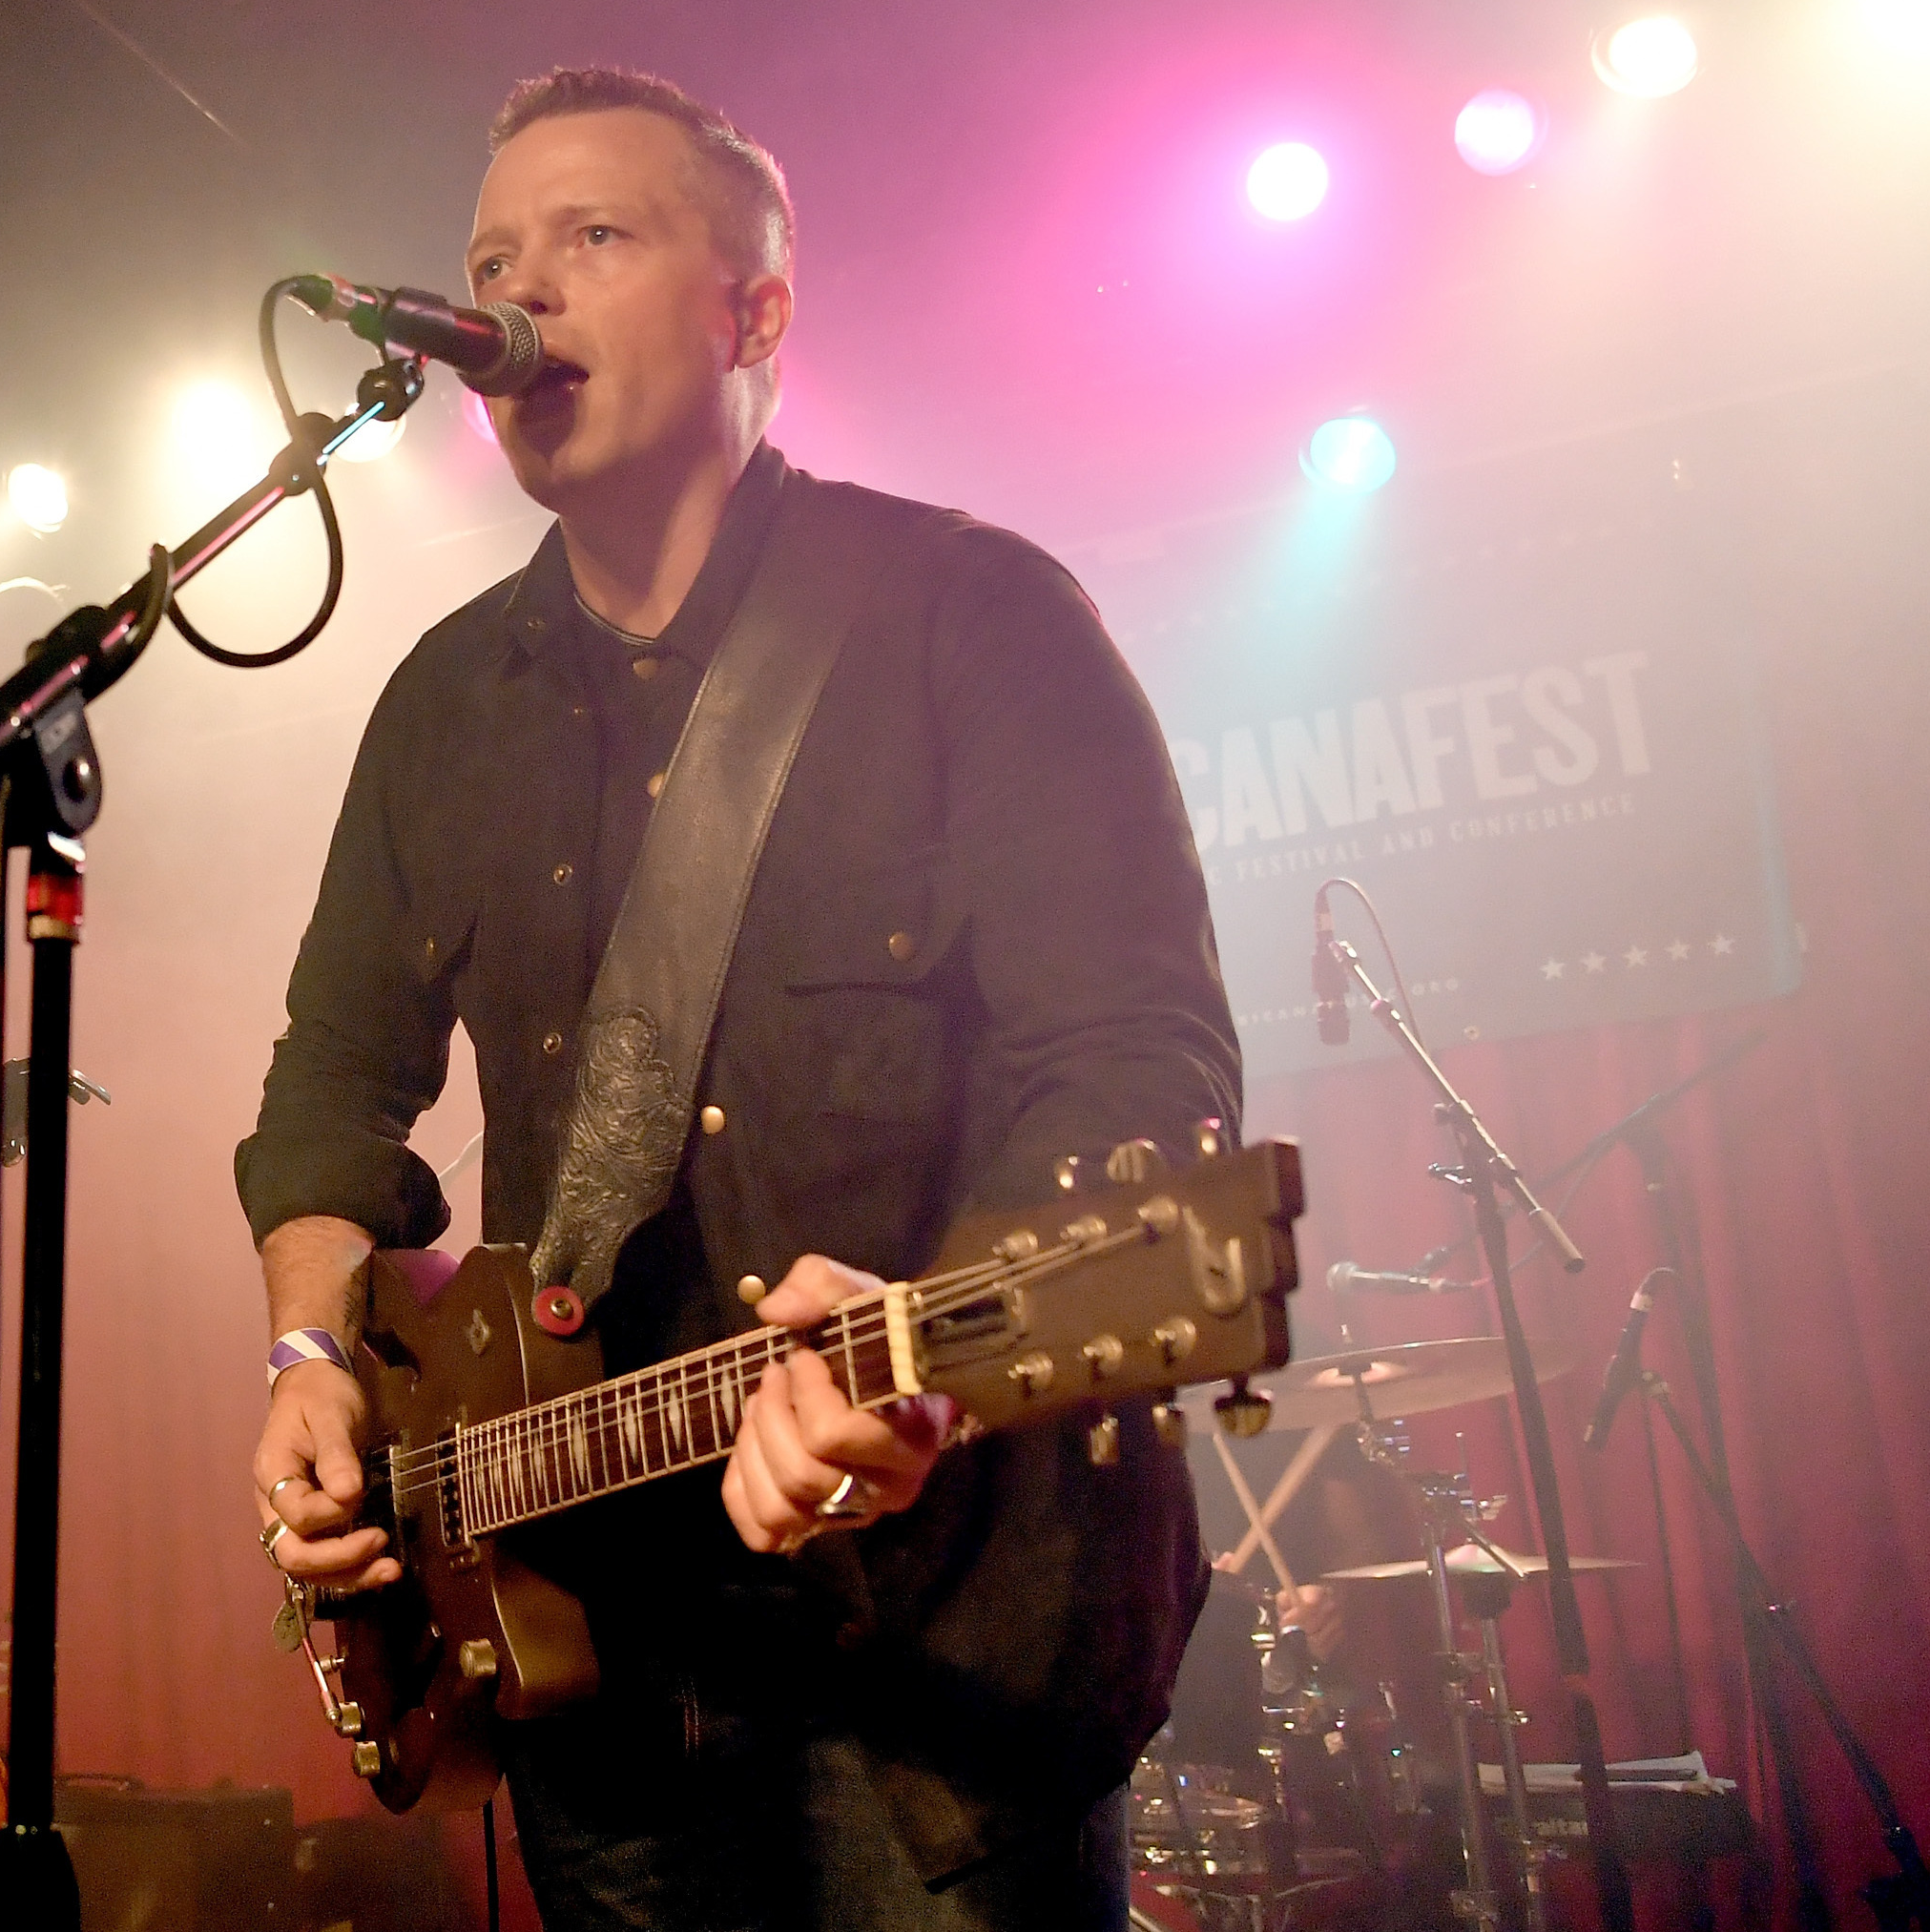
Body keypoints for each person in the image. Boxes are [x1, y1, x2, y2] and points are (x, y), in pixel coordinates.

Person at [239, 67, 1242, 1931]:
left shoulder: (973, 613)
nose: (517, 297)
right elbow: (329, 1090)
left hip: (938, 1642)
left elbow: (1134, 1063)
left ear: (755, 310)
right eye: (489, 259)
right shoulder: (443, 706)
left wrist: (918, 1349)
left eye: (593, 239)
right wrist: (311, 1354)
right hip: (597, 1681)